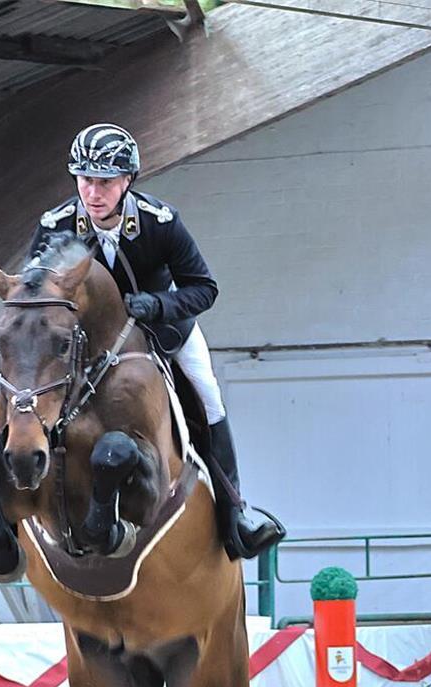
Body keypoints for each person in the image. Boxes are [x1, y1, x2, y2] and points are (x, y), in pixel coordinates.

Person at [29, 122, 284, 560]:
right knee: (28, 384)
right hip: (88, 341)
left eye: (105, 182)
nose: (93, 193)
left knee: (207, 393)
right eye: (85, 180)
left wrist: (158, 304)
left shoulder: (159, 222)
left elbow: (204, 288)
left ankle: (235, 513)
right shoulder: (57, 226)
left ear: (127, 180)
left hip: (160, 330)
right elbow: (32, 294)